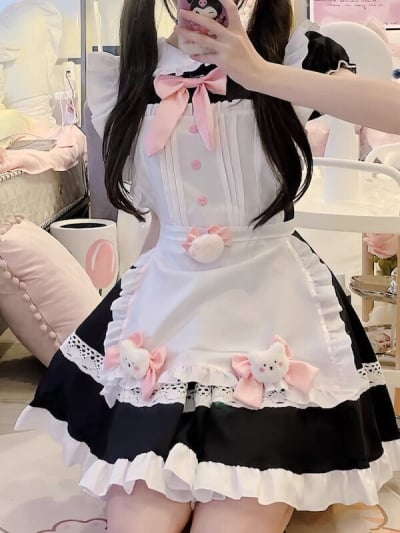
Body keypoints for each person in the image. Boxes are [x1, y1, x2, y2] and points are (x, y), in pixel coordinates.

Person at [16, 1, 400, 532]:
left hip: (270, 308)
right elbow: (164, 220)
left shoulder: (293, 55)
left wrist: (257, 73)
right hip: (170, 308)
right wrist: (129, 312)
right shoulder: (127, 74)